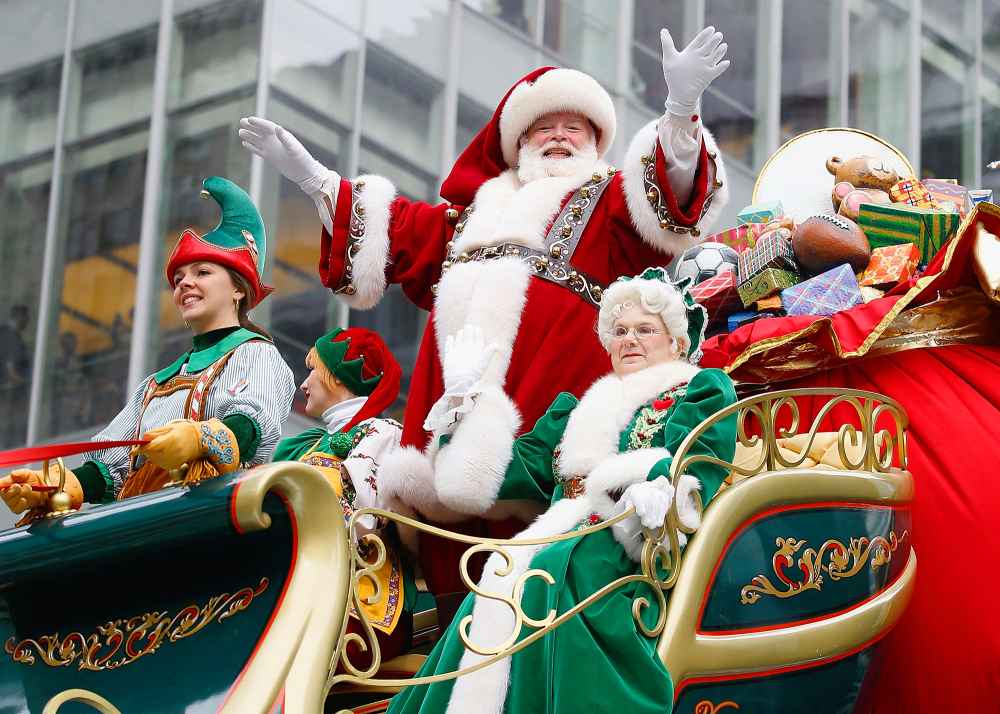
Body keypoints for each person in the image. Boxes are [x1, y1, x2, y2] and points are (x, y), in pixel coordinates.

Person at [241, 26, 732, 594]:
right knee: (454, 576)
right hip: (449, 417)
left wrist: (679, 110)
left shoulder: (609, 200)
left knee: (538, 567)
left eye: (574, 127)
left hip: (551, 405)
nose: (558, 136)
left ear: (596, 142)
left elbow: (671, 200)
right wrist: (313, 178)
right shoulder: (470, 217)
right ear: (517, 144)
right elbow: (396, 229)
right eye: (543, 127)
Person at [386, 268, 737, 714]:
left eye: (646, 330)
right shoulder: (576, 412)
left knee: (555, 567)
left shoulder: (700, 390)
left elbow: (699, 455)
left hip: (635, 540)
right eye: (621, 331)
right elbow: (500, 472)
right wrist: (463, 404)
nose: (630, 339)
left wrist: (659, 486)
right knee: (501, 571)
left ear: (678, 343)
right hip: (559, 533)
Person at [0, 177, 295, 522]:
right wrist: (54, 486)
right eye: (179, 277)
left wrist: (200, 437)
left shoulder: (255, 354)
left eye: (202, 271)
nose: (185, 282)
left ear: (238, 290)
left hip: (211, 524)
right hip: (143, 527)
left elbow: (251, 425)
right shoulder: (155, 385)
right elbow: (112, 468)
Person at [271, 326, 414, 659]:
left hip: (362, 609)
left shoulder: (382, 434)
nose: (304, 384)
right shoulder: (312, 446)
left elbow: (364, 521)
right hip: (311, 597)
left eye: (312, 371)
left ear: (336, 376)